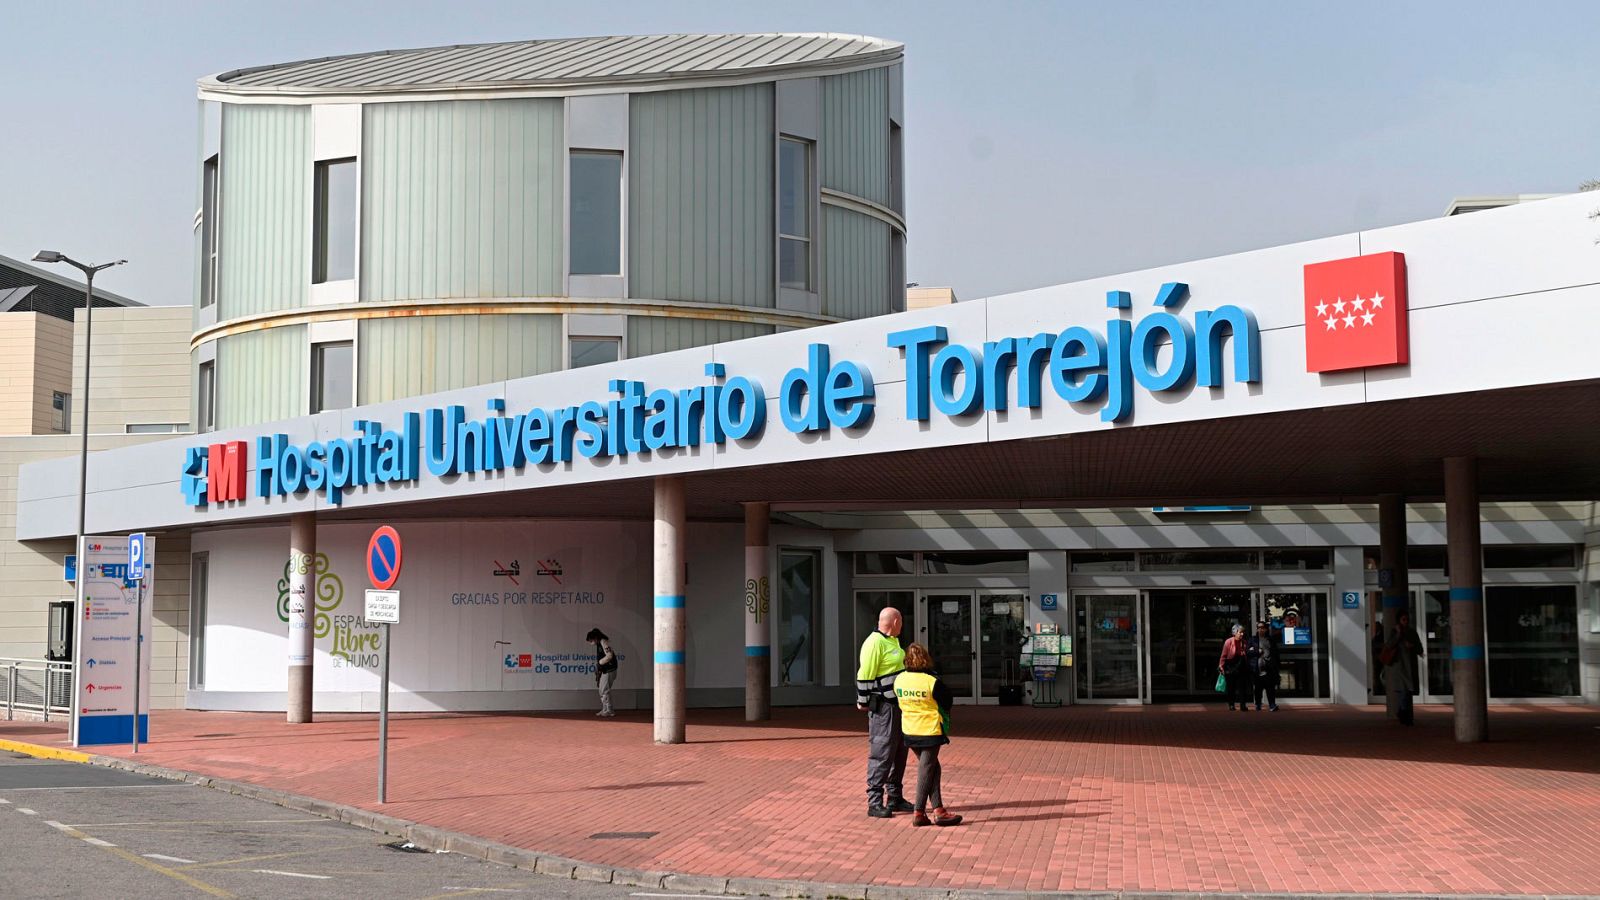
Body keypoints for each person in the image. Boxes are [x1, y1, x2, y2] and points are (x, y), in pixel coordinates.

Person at [893, 643, 962, 827]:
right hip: (930, 729)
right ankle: (919, 812)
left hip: (909, 730)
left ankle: (939, 810)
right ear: (925, 659)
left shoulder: (899, 679)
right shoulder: (931, 681)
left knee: (932, 767)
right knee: (926, 770)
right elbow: (947, 701)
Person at [856, 607, 911, 818]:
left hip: (898, 705)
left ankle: (895, 797)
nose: (902, 626)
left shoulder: (893, 641)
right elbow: (865, 674)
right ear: (895, 621)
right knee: (882, 751)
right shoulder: (874, 643)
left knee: (900, 751)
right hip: (884, 707)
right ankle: (875, 801)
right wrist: (863, 701)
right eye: (901, 622)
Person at [1382, 610, 1423, 725]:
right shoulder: (1394, 632)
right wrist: (1398, 634)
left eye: (1407, 619)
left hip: (1409, 665)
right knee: (1403, 691)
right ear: (1399, 621)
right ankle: (1404, 715)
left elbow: (1420, 649)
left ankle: (1402, 713)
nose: (1405, 622)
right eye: (1403, 619)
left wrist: (1412, 646)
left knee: (1406, 691)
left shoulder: (1412, 632)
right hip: (1399, 666)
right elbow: (1389, 645)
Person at [1247, 620, 1280, 712]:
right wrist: (1257, 651)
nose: (1261, 629)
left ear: (1266, 629)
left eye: (1263, 628)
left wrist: (1276, 665)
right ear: (1257, 629)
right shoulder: (1252, 640)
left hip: (1269, 668)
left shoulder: (1270, 640)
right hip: (1257, 668)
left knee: (1270, 688)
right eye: (1259, 628)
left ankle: (1272, 705)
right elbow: (1248, 652)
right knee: (1258, 688)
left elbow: (1276, 654)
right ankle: (1258, 704)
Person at [1218, 624, 1251, 711]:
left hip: (1241, 666)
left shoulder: (1244, 642)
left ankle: (1243, 705)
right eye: (1240, 632)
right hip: (1231, 665)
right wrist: (1221, 665)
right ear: (1235, 632)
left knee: (1242, 687)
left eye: (1243, 632)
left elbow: (1246, 653)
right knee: (1231, 687)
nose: (1242, 634)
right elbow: (1224, 655)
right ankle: (1231, 705)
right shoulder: (1228, 642)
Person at [586, 627, 617, 717]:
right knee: (601, 690)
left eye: (591, 640)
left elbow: (609, 655)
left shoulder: (604, 642)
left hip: (610, 670)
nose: (591, 643)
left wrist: (600, 662)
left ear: (595, 638)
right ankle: (605, 708)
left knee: (604, 690)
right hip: (605, 670)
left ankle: (609, 710)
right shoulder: (599, 643)